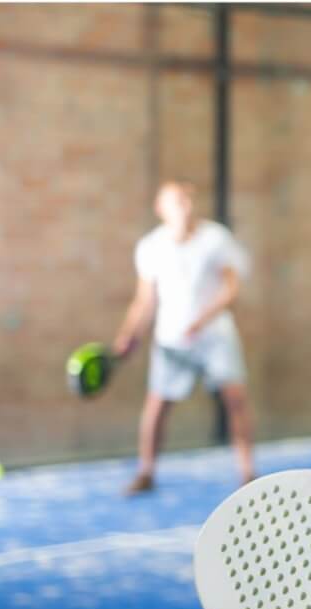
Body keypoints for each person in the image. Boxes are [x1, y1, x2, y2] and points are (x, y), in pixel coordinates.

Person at [112, 179, 255, 494]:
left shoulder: (216, 238)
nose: (185, 205)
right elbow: (144, 300)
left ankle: (247, 473)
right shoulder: (150, 247)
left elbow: (231, 288)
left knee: (236, 400)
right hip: (171, 340)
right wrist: (128, 335)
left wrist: (203, 319)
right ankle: (146, 472)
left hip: (215, 336)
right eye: (176, 200)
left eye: (188, 199)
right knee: (157, 405)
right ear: (160, 209)